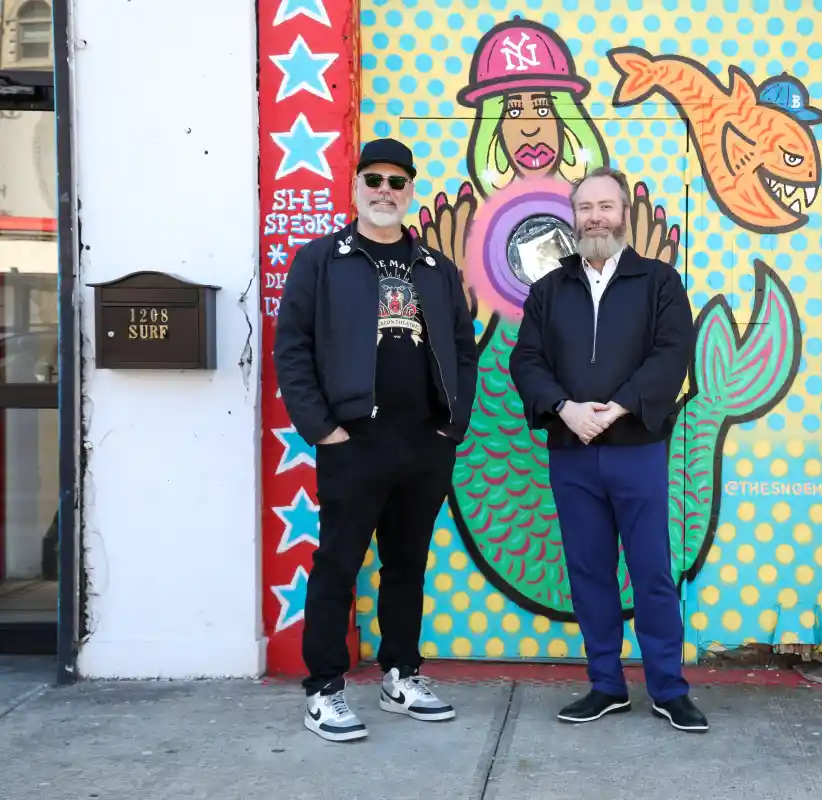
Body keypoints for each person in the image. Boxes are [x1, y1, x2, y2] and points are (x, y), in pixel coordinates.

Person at [274, 138, 478, 742]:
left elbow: (464, 353)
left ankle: (400, 674)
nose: (385, 191)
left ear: (410, 191)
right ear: (356, 187)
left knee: (406, 564)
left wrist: (452, 426)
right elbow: (293, 351)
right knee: (338, 564)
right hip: (352, 442)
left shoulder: (438, 269)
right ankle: (325, 690)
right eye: (374, 180)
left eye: (397, 182)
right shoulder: (321, 260)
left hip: (423, 444)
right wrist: (324, 430)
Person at [509, 166, 709, 733]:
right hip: (571, 451)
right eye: (585, 207)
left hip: (637, 449)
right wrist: (565, 408)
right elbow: (526, 360)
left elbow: (672, 353)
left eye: (606, 206)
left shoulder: (660, 282)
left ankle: (669, 689)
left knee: (651, 573)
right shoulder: (550, 289)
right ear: (573, 217)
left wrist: (618, 407)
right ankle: (606, 685)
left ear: (626, 214)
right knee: (589, 571)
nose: (596, 217)